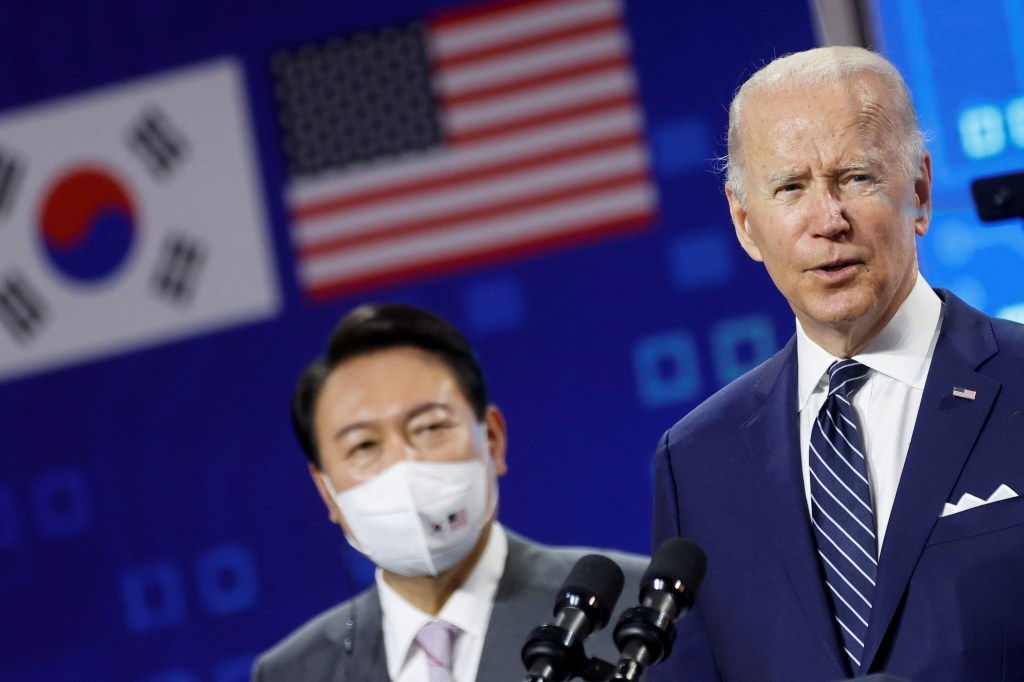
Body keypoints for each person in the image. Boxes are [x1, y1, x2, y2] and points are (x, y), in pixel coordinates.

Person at [651, 45, 1024, 681]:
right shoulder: (696, 462)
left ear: (921, 192)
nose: (828, 220)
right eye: (789, 188)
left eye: (856, 177)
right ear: (745, 224)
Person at [253, 303, 648, 681]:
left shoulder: (636, 613)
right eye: (364, 446)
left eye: (429, 428)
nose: (401, 463)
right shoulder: (291, 673)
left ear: (492, 440)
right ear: (326, 491)